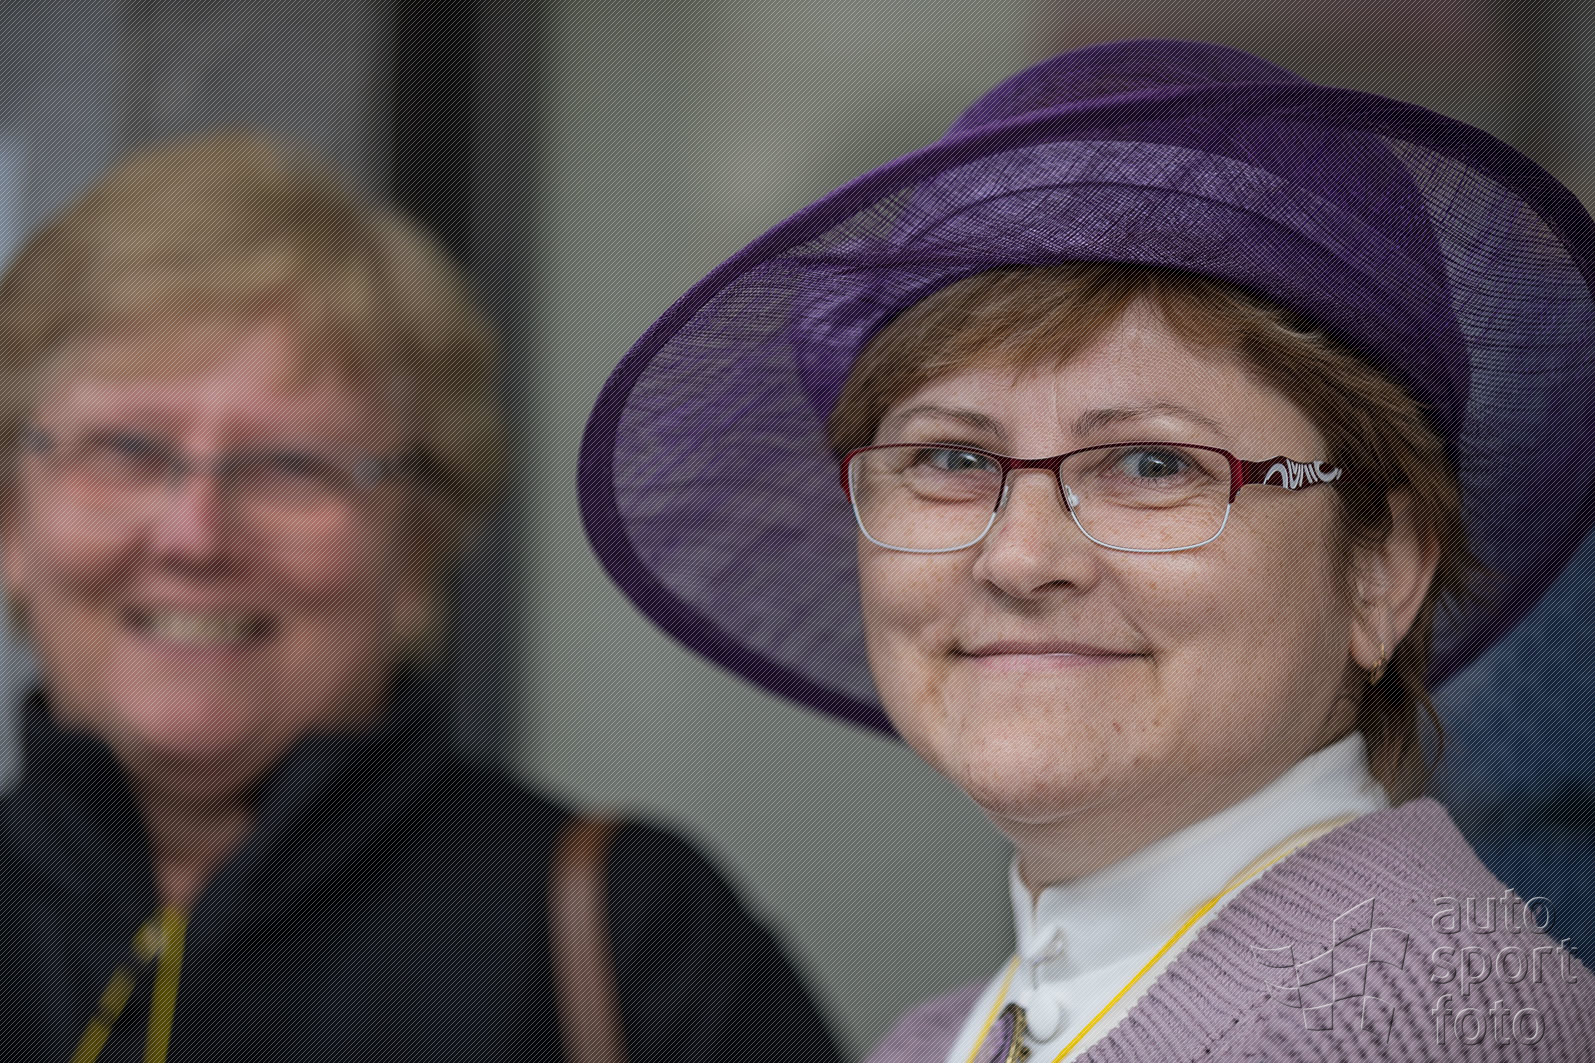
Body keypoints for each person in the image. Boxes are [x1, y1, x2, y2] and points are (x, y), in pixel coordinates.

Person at [578, 40, 1595, 1060]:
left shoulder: (1413, 1026)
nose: (1020, 559)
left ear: (1381, 570)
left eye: (1152, 463)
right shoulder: (934, 1039)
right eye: (950, 456)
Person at [0, 131, 840, 1063]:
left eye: (292, 465)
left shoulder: (642, 941)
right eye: (124, 450)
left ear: (417, 548)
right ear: (10, 524)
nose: (194, 536)